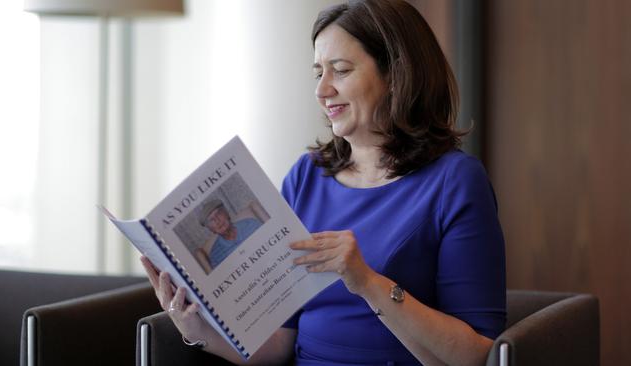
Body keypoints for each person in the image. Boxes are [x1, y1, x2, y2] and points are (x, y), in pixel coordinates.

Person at [141, 1, 506, 365]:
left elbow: (477, 355)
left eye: (341, 70)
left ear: (396, 75)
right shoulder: (306, 176)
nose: (322, 90)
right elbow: (282, 341)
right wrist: (195, 330)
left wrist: (368, 282)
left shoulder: (455, 182)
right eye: (319, 73)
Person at [199, 199, 263, 268]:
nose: (217, 221)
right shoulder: (215, 257)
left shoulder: (251, 224)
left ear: (226, 213)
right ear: (211, 229)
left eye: (218, 214)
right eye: (211, 220)